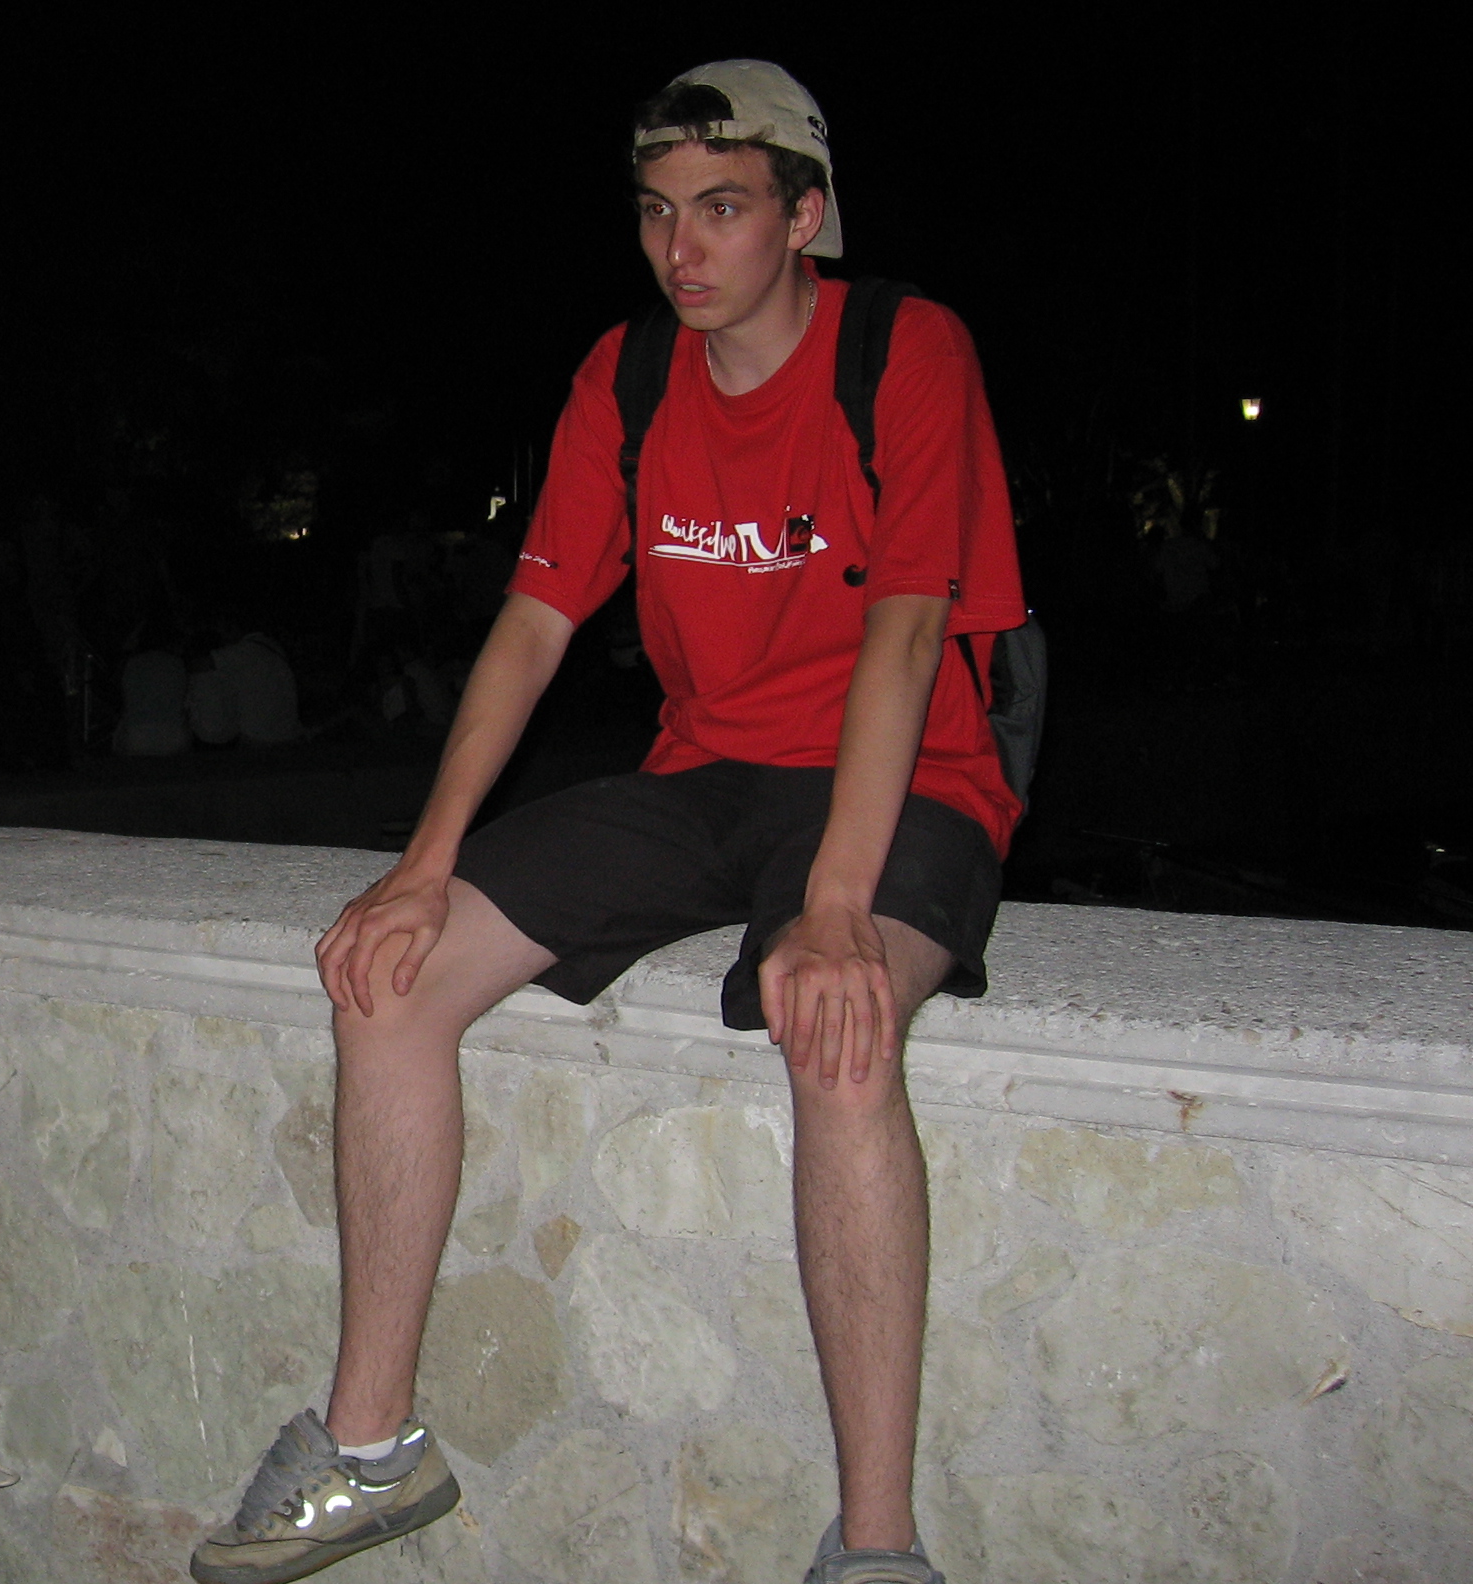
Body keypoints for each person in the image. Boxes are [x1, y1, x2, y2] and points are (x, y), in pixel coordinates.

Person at [192, 62, 1020, 1584]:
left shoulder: (904, 347)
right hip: (703, 773)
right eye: (655, 212)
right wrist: (421, 866)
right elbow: (531, 624)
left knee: (833, 1027)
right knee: (385, 982)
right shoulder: (626, 376)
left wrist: (837, 908)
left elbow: (908, 632)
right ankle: (368, 1449)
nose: (679, 249)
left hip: (905, 776)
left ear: (804, 216)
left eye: (721, 208)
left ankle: (877, 1546)